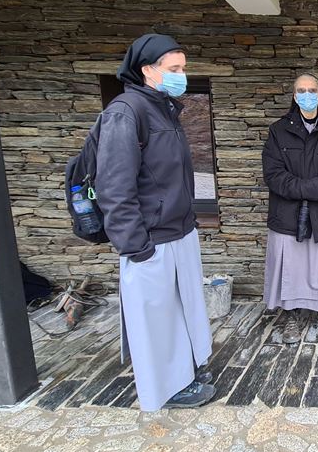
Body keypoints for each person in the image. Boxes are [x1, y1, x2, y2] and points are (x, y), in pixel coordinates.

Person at [95, 33, 214, 410]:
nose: (182, 74)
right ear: (148, 70)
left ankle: (186, 370)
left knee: (180, 310)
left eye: (183, 67)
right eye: (174, 68)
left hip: (178, 231)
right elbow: (114, 185)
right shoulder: (126, 112)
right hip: (150, 239)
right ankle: (167, 388)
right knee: (156, 320)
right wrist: (135, 244)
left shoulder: (164, 108)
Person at [262, 73, 318, 343]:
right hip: (287, 214)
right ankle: (290, 314)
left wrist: (307, 189)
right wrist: (305, 189)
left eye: (312, 90)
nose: (307, 94)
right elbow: (273, 173)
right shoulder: (278, 131)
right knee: (290, 267)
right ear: (294, 96)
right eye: (301, 90)